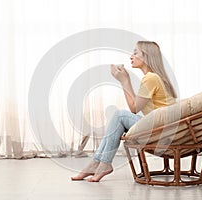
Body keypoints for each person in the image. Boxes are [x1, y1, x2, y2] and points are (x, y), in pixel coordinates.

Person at [71, 41, 177, 182]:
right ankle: (98, 163)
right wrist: (125, 80)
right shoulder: (153, 77)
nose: (131, 56)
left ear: (146, 57)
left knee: (120, 116)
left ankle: (100, 163)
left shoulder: (151, 78)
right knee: (119, 118)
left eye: (135, 52)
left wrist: (124, 81)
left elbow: (134, 108)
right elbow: (136, 106)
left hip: (161, 130)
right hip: (161, 127)